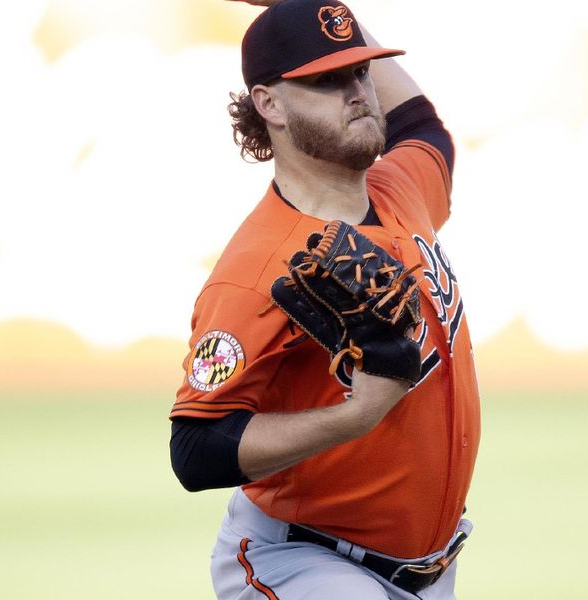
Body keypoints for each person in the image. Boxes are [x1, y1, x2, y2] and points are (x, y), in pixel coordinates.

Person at [169, 0, 481, 598]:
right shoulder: (253, 271)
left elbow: (422, 126)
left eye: (361, 71)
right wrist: (356, 415)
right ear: (269, 104)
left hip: (430, 568)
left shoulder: (400, 190)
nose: (357, 92)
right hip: (305, 562)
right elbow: (196, 449)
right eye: (326, 81)